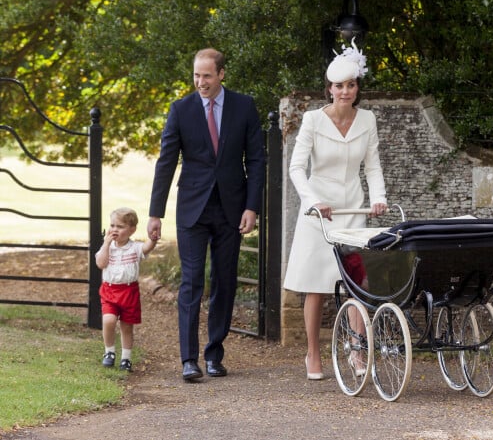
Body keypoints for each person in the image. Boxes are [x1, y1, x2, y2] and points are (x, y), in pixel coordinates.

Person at [147, 48, 265, 381]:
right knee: (192, 281)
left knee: (225, 282)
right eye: (197, 76)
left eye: (207, 76)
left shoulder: (244, 107)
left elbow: (256, 160)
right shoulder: (180, 110)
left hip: (231, 208)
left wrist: (251, 206)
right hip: (192, 209)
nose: (201, 82)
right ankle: (189, 360)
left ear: (222, 74)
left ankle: (214, 353)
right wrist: (155, 213)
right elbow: (166, 162)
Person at [283, 40, 388, 380]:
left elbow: (372, 166)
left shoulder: (367, 120)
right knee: (316, 286)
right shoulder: (313, 120)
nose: (345, 91)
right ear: (329, 89)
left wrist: (378, 198)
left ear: (358, 87)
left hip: (352, 212)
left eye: (351, 85)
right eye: (339, 86)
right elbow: (297, 168)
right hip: (319, 213)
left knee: (358, 281)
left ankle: (358, 351)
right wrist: (313, 201)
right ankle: (313, 353)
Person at [95, 207, 158, 371]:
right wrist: (107, 244)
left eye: (120, 226)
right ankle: (109, 352)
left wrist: (153, 238)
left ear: (131, 230)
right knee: (108, 320)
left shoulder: (135, 248)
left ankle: (126, 358)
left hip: (129, 292)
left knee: (127, 326)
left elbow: (147, 248)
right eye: (112, 225)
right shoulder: (107, 247)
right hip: (110, 291)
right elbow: (101, 264)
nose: (115, 229)